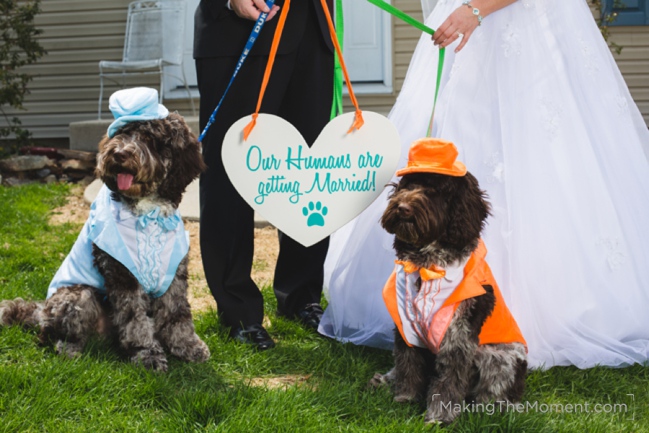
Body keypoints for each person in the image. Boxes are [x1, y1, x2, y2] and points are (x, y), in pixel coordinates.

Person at [320, 0, 649, 369]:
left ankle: (519, 306)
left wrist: (475, 10)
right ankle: (434, 302)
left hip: (516, 33)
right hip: (467, 33)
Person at [194, 0, 335, 350]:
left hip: (312, 32)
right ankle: (237, 309)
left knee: (306, 169)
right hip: (238, 30)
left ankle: (301, 295)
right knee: (232, 168)